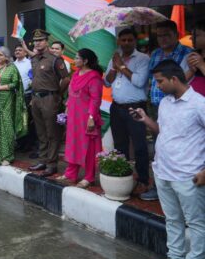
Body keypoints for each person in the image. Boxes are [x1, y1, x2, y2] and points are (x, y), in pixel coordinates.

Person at [131, 60, 205, 259]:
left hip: (188, 175)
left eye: (160, 81)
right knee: (173, 219)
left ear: (174, 79)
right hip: (163, 171)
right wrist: (145, 119)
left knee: (197, 223)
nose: (157, 86)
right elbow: (163, 131)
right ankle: (175, 258)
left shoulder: (199, 104)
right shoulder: (165, 102)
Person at [142, 20, 193, 201]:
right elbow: (151, 80)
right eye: (159, 35)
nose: (162, 39)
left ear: (176, 35)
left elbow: (184, 81)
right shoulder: (156, 53)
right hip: (157, 106)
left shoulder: (187, 54)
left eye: (166, 35)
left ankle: (178, 187)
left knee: (176, 147)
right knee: (159, 147)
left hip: (178, 107)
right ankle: (159, 186)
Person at [104, 28, 150, 193]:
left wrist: (122, 66)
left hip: (136, 107)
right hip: (117, 107)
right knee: (119, 145)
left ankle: (143, 180)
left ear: (135, 41)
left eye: (130, 40)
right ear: (118, 41)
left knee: (139, 146)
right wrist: (114, 67)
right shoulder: (115, 58)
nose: (126, 43)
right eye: (123, 40)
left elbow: (139, 81)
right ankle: (122, 178)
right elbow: (107, 82)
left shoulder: (143, 58)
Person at [57, 49, 103, 188]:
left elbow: (96, 99)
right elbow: (71, 94)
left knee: (88, 147)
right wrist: (67, 107)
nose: (74, 60)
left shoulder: (94, 77)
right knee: (73, 144)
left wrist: (91, 117)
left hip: (86, 117)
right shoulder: (76, 74)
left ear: (85, 61)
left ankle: (89, 177)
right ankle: (71, 174)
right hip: (73, 116)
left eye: (77, 58)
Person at [28, 29, 70, 177]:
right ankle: (43, 160)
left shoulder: (55, 59)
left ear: (46, 42)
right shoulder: (34, 59)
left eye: (40, 40)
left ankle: (52, 165)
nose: (37, 43)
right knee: (41, 132)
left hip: (50, 98)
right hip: (36, 98)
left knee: (52, 133)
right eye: (35, 41)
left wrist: (58, 93)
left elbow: (66, 78)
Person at [0, 47, 27, 166]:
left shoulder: (12, 68)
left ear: (6, 57)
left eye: (1, 55)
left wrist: (0, 88)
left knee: (7, 126)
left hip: (7, 99)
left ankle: (8, 155)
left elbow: (15, 83)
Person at [13, 44, 36, 154]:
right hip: (15, 95)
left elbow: (33, 79)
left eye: (20, 50)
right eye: (16, 50)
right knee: (18, 120)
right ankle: (20, 143)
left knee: (27, 120)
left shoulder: (30, 63)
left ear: (25, 52)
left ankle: (29, 144)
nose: (17, 51)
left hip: (27, 95)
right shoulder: (12, 64)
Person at [186, 20, 205, 96]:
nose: (191, 38)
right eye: (192, 35)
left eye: (196, 35)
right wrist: (191, 70)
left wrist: (201, 65)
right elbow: (182, 82)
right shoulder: (195, 54)